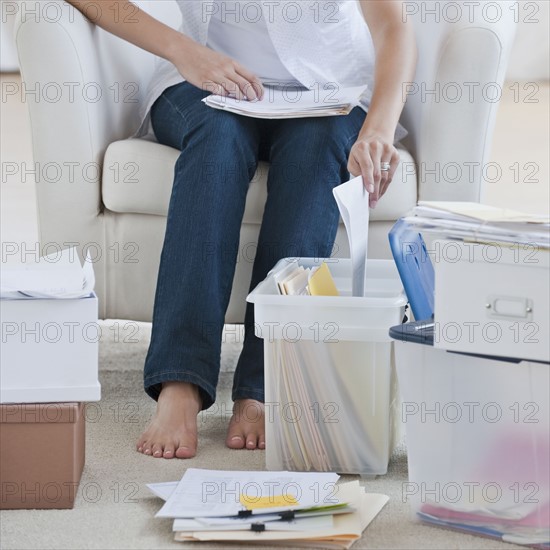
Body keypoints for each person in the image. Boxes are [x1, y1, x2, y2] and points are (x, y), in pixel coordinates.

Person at [66, 0, 417, 459]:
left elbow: (393, 25)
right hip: (202, 82)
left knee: (319, 152)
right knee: (217, 139)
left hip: (328, 89)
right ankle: (180, 381)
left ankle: (268, 383)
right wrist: (182, 50)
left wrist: (379, 129)